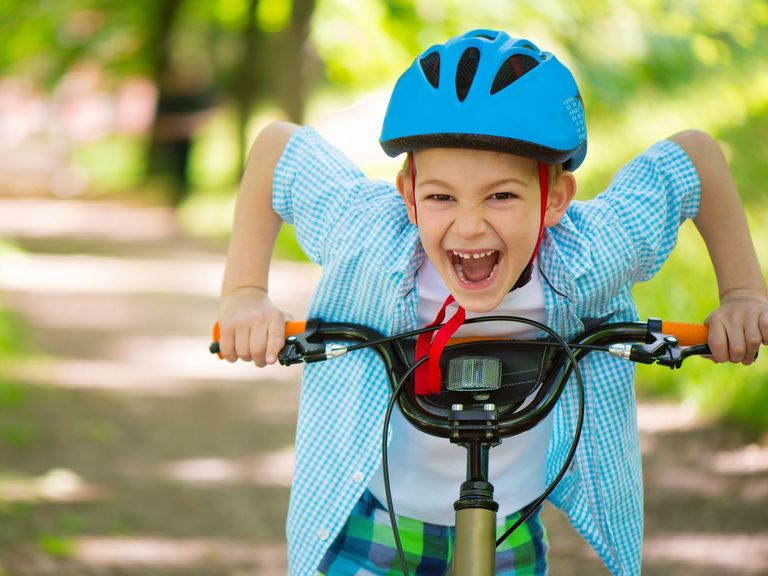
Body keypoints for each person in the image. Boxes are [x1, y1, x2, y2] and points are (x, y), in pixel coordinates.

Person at [216, 29, 768, 576]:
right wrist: (244, 294)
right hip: (374, 527)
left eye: (502, 195)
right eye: (440, 197)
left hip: (508, 532)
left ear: (554, 198)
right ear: (408, 194)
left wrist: (741, 293)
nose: (470, 225)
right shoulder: (369, 238)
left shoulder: (590, 254)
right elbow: (279, 150)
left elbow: (692, 159)